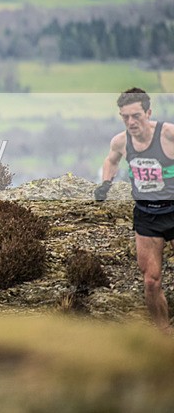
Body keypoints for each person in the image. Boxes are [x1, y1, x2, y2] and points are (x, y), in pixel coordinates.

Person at [97, 87, 174, 332]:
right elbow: (111, 160)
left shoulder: (168, 134)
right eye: (125, 117)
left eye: (136, 116)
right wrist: (105, 184)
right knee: (151, 281)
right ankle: (163, 334)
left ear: (148, 113)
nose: (131, 122)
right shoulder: (120, 141)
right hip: (146, 215)